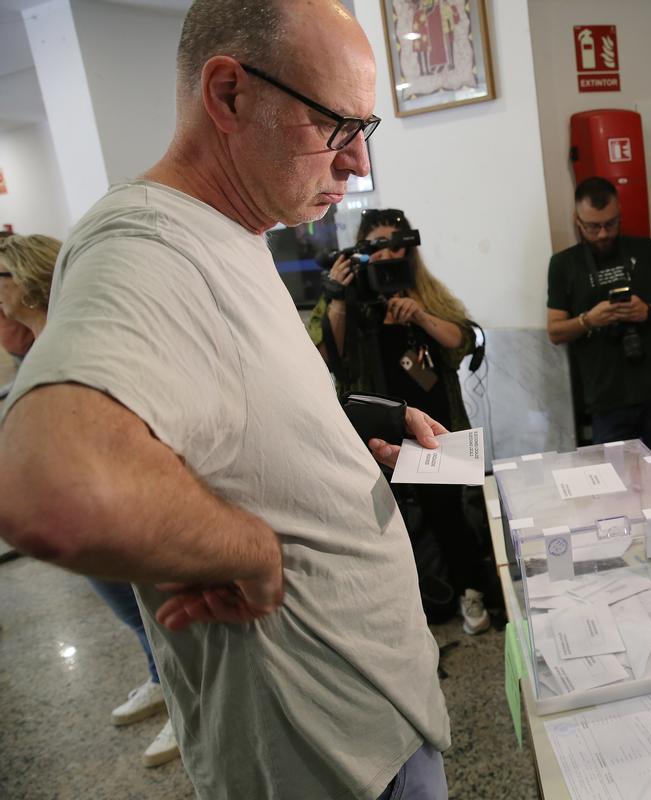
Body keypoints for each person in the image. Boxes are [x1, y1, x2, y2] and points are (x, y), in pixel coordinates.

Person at [0, 2, 452, 798]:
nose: (354, 165)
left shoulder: (235, 230)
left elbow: (243, 412)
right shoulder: (147, 246)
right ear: (230, 95)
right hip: (326, 752)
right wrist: (245, 549)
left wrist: (354, 442)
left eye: (364, 129)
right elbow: (52, 483)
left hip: (376, 716)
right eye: (335, 127)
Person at [0, 233, 180, 767]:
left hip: (121, 500)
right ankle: (158, 677)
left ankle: (182, 699)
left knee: (162, 610)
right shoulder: (32, 343)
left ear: (30, 279)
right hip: (89, 502)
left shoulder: (77, 340)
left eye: (2, 278)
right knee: (129, 608)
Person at [309, 207, 496, 634]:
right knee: (387, 523)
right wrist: (337, 296)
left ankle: (470, 592)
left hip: (434, 424)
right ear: (361, 251)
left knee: (450, 514)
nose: (390, 255)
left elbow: (462, 342)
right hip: (376, 432)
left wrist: (421, 316)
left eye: (398, 244)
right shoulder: (346, 294)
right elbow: (322, 358)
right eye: (379, 247)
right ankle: (405, 607)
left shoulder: (423, 289)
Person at [546, 176, 651, 449]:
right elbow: (555, 331)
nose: (603, 233)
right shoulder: (564, 264)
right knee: (615, 482)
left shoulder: (645, 249)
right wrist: (590, 319)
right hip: (606, 397)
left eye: (611, 223)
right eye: (593, 226)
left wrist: (648, 312)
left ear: (619, 212)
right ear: (577, 219)